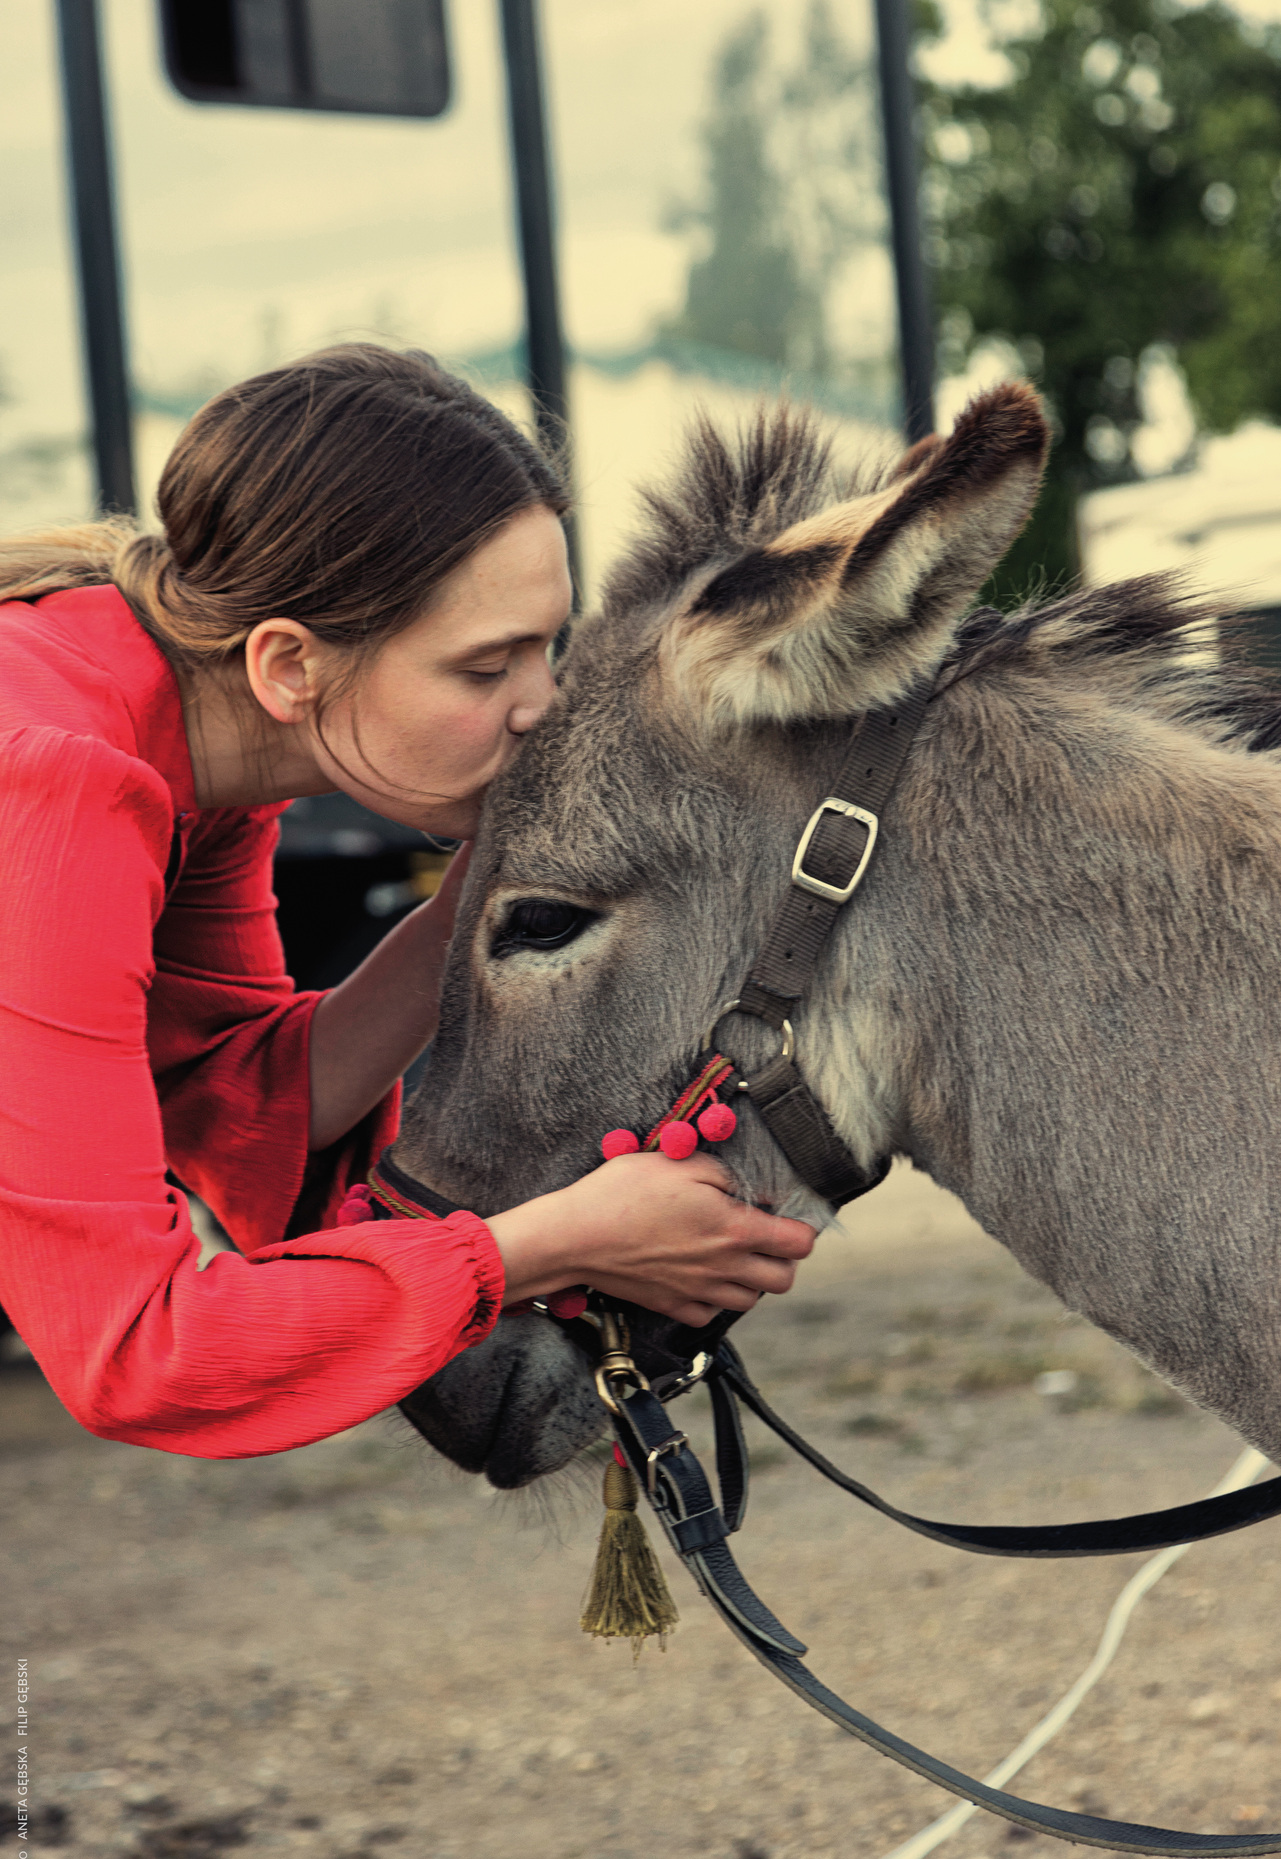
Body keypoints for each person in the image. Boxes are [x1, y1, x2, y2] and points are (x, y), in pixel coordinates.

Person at [0, 344, 812, 1460]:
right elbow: (141, 1350)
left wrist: (467, 911)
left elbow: (231, 1100)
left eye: (549, 649)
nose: (546, 708)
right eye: (487, 670)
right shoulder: (47, 788)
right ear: (289, 666)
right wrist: (556, 1240)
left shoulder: (189, 741)